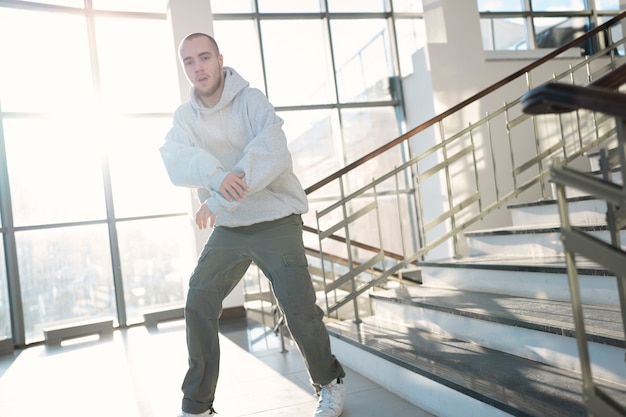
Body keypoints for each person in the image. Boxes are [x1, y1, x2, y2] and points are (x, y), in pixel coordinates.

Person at [159, 32, 346, 417]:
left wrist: (221, 192)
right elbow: (175, 157)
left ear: (220, 59)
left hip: (275, 217)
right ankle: (197, 405)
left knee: (298, 310)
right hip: (230, 225)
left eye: (204, 58)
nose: (198, 67)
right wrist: (214, 177)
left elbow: (272, 151)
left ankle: (329, 383)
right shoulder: (185, 117)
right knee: (199, 300)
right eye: (189, 62)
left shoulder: (251, 100)